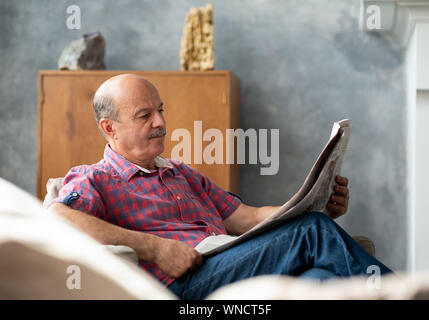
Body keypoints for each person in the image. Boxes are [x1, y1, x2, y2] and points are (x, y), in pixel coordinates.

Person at [49, 74, 393, 299]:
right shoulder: (94, 177)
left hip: (227, 261)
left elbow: (251, 217)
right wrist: (154, 249)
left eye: (161, 111)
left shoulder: (182, 174)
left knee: (319, 278)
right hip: (184, 284)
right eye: (144, 116)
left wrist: (317, 203)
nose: (161, 123)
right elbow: (58, 218)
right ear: (109, 128)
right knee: (312, 232)